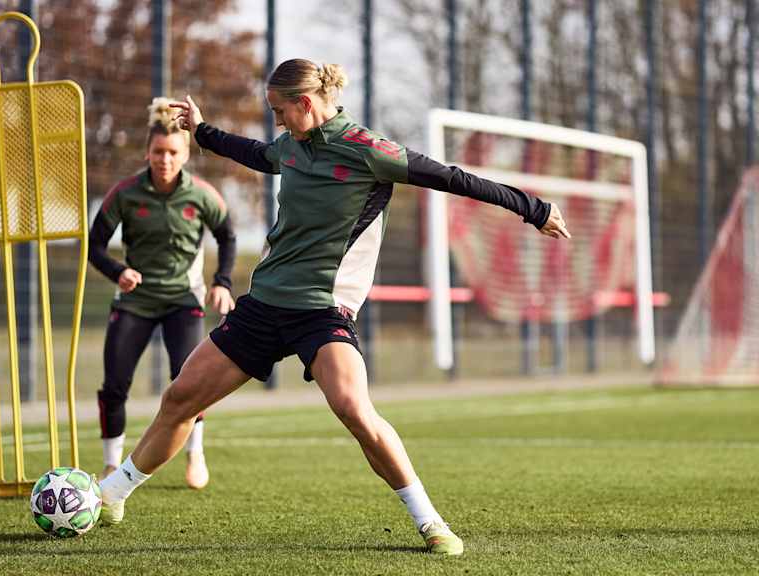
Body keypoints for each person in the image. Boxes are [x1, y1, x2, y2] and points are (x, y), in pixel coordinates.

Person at [97, 59, 571, 555]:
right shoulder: (292, 146)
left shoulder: (369, 150)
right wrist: (204, 131)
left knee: (354, 410)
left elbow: (451, 178)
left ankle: (431, 522)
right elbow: (259, 154)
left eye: (281, 111)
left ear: (305, 103)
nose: (277, 121)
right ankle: (112, 494)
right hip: (263, 304)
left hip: (324, 311)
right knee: (180, 400)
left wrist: (532, 209)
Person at [88, 97, 237, 490]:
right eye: (158, 152)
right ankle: (109, 465)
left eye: (173, 152)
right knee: (115, 383)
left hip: (183, 301)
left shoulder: (203, 195)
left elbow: (228, 236)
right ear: (147, 153)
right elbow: (95, 246)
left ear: (185, 153)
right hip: (135, 302)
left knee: (189, 383)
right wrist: (118, 272)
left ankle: (195, 454)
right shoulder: (125, 194)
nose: (165, 159)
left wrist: (222, 281)